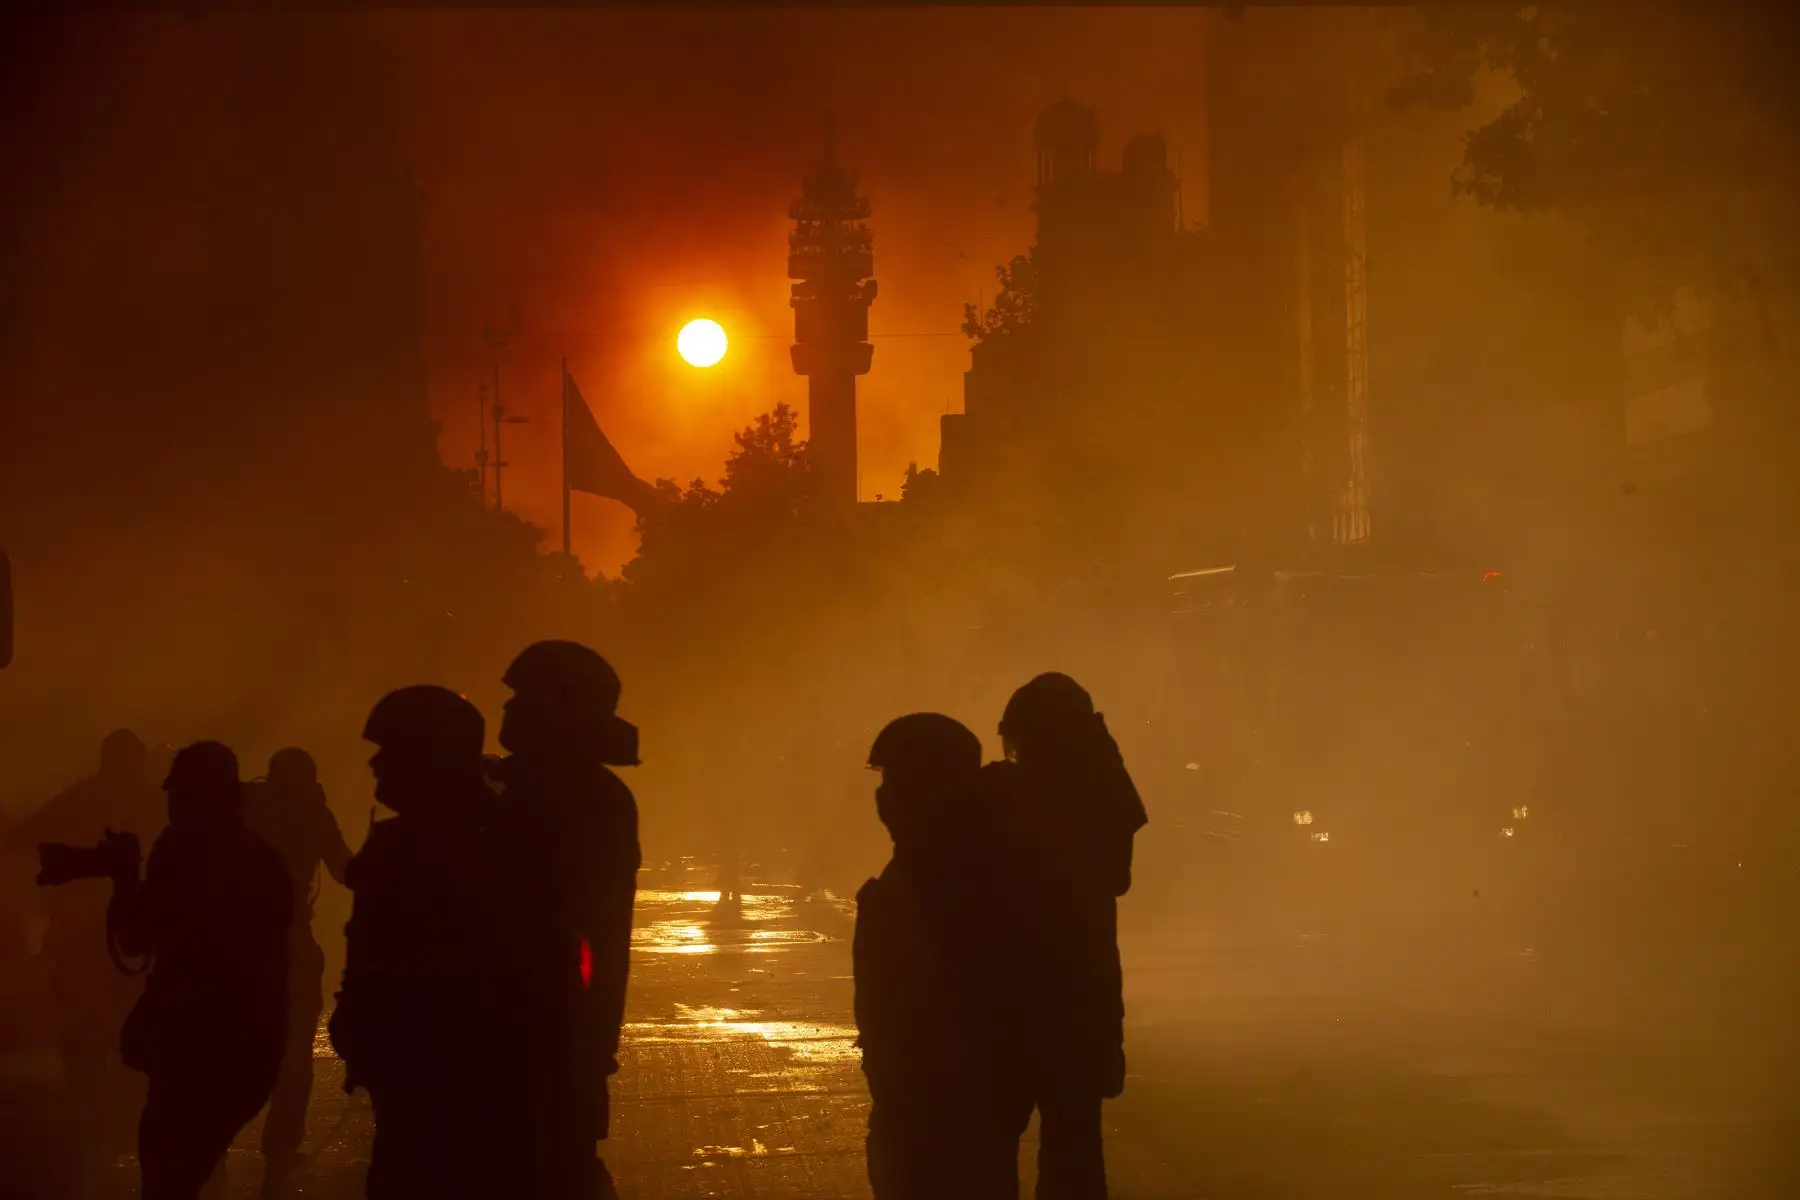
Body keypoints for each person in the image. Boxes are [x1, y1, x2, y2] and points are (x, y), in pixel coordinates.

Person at [329, 687, 511, 1199]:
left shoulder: (473, 846)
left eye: (392, 750)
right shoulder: (424, 840)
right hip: (417, 1066)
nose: (376, 763)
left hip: (447, 1071)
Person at [854, 713, 1031, 1200]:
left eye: (895, 779)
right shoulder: (941, 861)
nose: (885, 796)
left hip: (939, 1099)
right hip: (936, 1095)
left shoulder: (948, 874)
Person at [109, 741, 292, 1200]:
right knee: (177, 1175)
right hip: (229, 1049)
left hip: (206, 1048)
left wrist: (127, 880)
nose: (174, 807)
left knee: (169, 1177)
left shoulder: (189, 856)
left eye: (185, 797)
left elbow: (140, 938)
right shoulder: (258, 860)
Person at [494, 640, 642, 1200]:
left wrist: (587, 1043)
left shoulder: (583, 799)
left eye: (522, 700)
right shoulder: (536, 788)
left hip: (547, 1037)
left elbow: (594, 932)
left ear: (559, 707)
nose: (506, 712)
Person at [991, 674, 1147, 1200]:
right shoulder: (1103, 791)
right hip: (1083, 998)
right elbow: (1118, 877)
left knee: (995, 1145)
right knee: (1075, 1144)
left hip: (1017, 1000)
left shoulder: (1013, 796)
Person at [3, 730, 166, 1198]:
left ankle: (97, 1151)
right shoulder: (153, 806)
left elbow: (22, 839)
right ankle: (112, 1149)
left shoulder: (83, 799)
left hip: (98, 953)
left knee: (93, 1055)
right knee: (122, 1053)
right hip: (124, 955)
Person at [243, 748, 352, 1197]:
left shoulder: (249, 806)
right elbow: (347, 871)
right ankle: (280, 1156)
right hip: (285, 943)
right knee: (293, 1057)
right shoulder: (312, 813)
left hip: (241, 946)